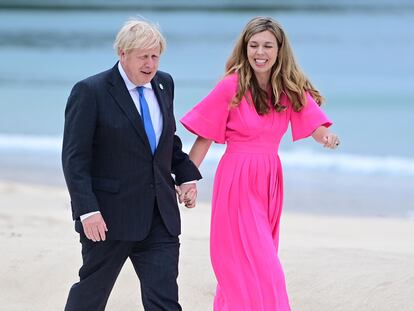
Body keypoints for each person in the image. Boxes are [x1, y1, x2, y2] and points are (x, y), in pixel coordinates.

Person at [180, 16, 340, 310]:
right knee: (265, 269)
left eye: (267, 45)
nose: (259, 52)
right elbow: (205, 136)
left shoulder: (288, 88)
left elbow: (312, 121)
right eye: (253, 45)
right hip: (236, 181)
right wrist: (187, 179)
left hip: (269, 181)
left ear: (280, 50)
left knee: (255, 264)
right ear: (245, 49)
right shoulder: (231, 86)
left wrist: (326, 136)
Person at [62, 18, 201, 311]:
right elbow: (75, 158)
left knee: (164, 301)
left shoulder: (164, 83)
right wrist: (88, 211)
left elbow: (166, 140)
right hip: (108, 219)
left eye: (155, 56)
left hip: (160, 217)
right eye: (143, 56)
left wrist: (186, 174)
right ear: (123, 54)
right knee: (90, 297)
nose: (150, 64)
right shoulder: (91, 91)